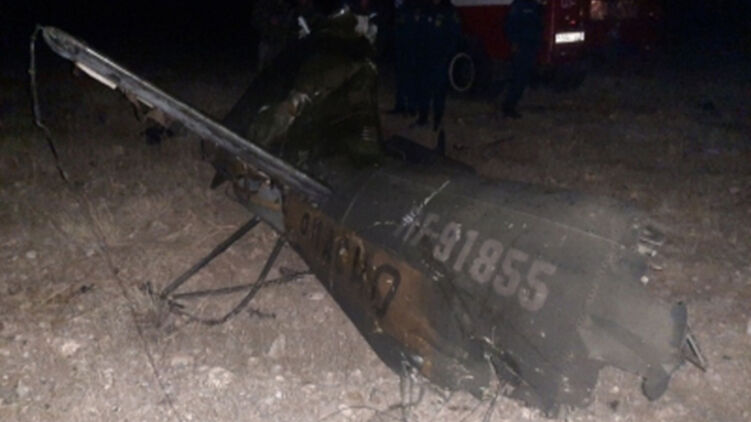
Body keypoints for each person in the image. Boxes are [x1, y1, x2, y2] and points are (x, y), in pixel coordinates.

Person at [415, 0, 460, 130]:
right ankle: (422, 118)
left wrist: (447, 54)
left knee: (439, 91)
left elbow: (455, 34)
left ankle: (437, 120)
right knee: (424, 89)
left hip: (440, 58)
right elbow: (419, 32)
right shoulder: (425, 8)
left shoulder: (449, 10)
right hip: (425, 57)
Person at [501, 0, 544, 118]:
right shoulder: (519, 5)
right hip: (522, 46)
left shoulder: (534, 5)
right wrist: (514, 42)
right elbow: (510, 25)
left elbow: (538, 25)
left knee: (524, 77)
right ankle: (509, 106)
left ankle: (512, 104)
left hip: (531, 46)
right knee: (519, 77)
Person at [390, 0, 418, 116]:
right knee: (400, 74)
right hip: (400, 41)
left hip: (411, 42)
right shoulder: (399, 7)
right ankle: (400, 104)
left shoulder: (412, 7)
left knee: (410, 75)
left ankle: (411, 106)